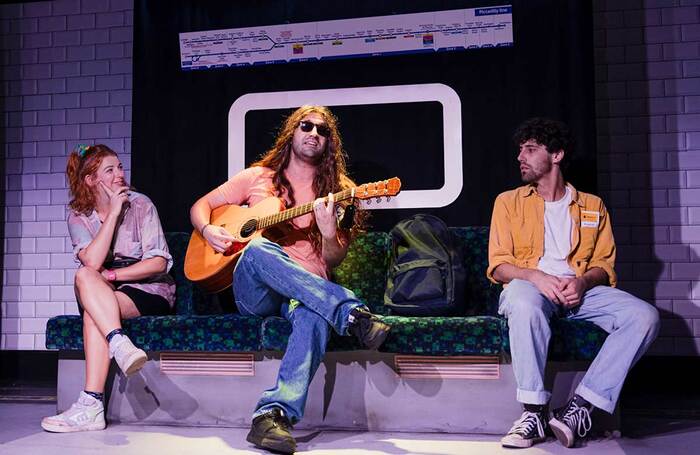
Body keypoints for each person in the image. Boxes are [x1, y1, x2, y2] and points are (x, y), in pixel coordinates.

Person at [190, 105, 391, 454]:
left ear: (330, 142)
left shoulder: (341, 191)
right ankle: (351, 313)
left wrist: (328, 233)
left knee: (314, 314)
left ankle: (272, 416)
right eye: (306, 126)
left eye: (323, 130)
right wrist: (208, 230)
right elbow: (201, 205)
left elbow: (333, 259)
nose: (314, 133)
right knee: (255, 249)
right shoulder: (257, 178)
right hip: (256, 290)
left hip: (307, 293)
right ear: (292, 132)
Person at [488, 118, 659, 448]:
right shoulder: (507, 202)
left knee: (644, 317)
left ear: (556, 155)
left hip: (581, 292)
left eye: (531, 149)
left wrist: (582, 283)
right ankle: (534, 412)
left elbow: (604, 265)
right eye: (520, 150)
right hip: (530, 287)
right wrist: (536, 276)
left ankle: (581, 407)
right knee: (523, 303)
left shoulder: (592, 206)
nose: (520, 157)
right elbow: (498, 267)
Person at [41, 144, 176, 433]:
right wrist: (113, 214)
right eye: (110, 170)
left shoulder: (141, 204)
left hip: (148, 290)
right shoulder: (78, 216)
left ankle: (91, 404)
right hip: (104, 290)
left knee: (93, 308)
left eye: (120, 167)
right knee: (85, 274)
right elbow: (91, 261)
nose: (120, 175)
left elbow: (158, 263)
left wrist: (113, 275)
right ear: (91, 180)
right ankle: (119, 343)